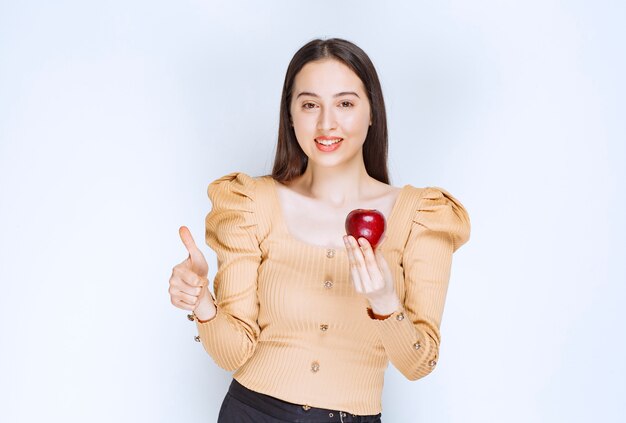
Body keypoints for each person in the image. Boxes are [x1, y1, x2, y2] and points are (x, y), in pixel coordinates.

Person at [168, 38, 471, 423]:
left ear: (372, 112)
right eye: (310, 105)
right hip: (252, 411)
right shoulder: (249, 203)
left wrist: (384, 300)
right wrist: (202, 304)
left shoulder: (422, 215)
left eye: (345, 103)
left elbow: (419, 362)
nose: (327, 123)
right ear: (290, 116)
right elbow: (233, 354)